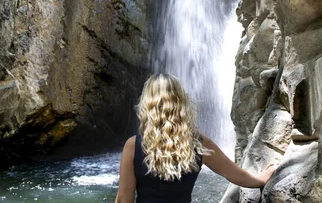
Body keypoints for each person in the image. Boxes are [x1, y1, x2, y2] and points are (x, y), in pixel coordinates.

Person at [115, 73, 278, 203]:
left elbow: (123, 199)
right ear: (180, 102)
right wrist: (260, 179)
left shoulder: (133, 146)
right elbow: (233, 174)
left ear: (147, 105)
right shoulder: (198, 144)